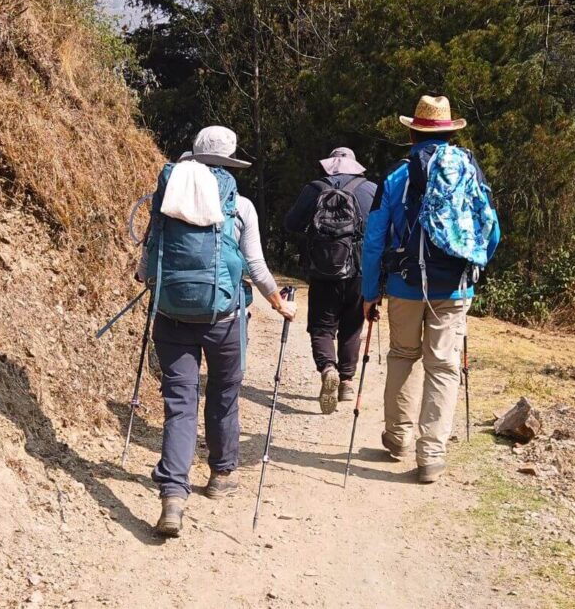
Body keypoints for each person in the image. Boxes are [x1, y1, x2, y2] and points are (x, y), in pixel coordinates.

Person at [138, 126, 296, 537]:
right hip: (225, 321)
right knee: (224, 395)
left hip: (171, 317)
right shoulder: (240, 205)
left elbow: (146, 264)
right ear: (229, 162)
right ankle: (222, 474)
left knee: (180, 404)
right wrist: (279, 302)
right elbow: (256, 266)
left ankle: (173, 495)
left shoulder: (168, 198)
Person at [361, 96, 499, 484]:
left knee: (403, 355)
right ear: (452, 132)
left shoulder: (396, 177)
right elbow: (492, 228)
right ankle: (431, 456)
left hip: (405, 284)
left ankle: (399, 438)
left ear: (412, 132)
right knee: (442, 366)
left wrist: (370, 290)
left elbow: (373, 239)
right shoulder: (467, 170)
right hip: (453, 288)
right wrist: (472, 267)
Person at [284, 148, 376, 414]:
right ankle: (347, 382)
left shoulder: (314, 189)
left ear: (330, 166)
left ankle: (327, 368)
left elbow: (291, 223)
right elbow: (380, 229)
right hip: (359, 269)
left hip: (323, 270)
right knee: (352, 325)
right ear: (354, 166)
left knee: (322, 326)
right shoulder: (369, 189)